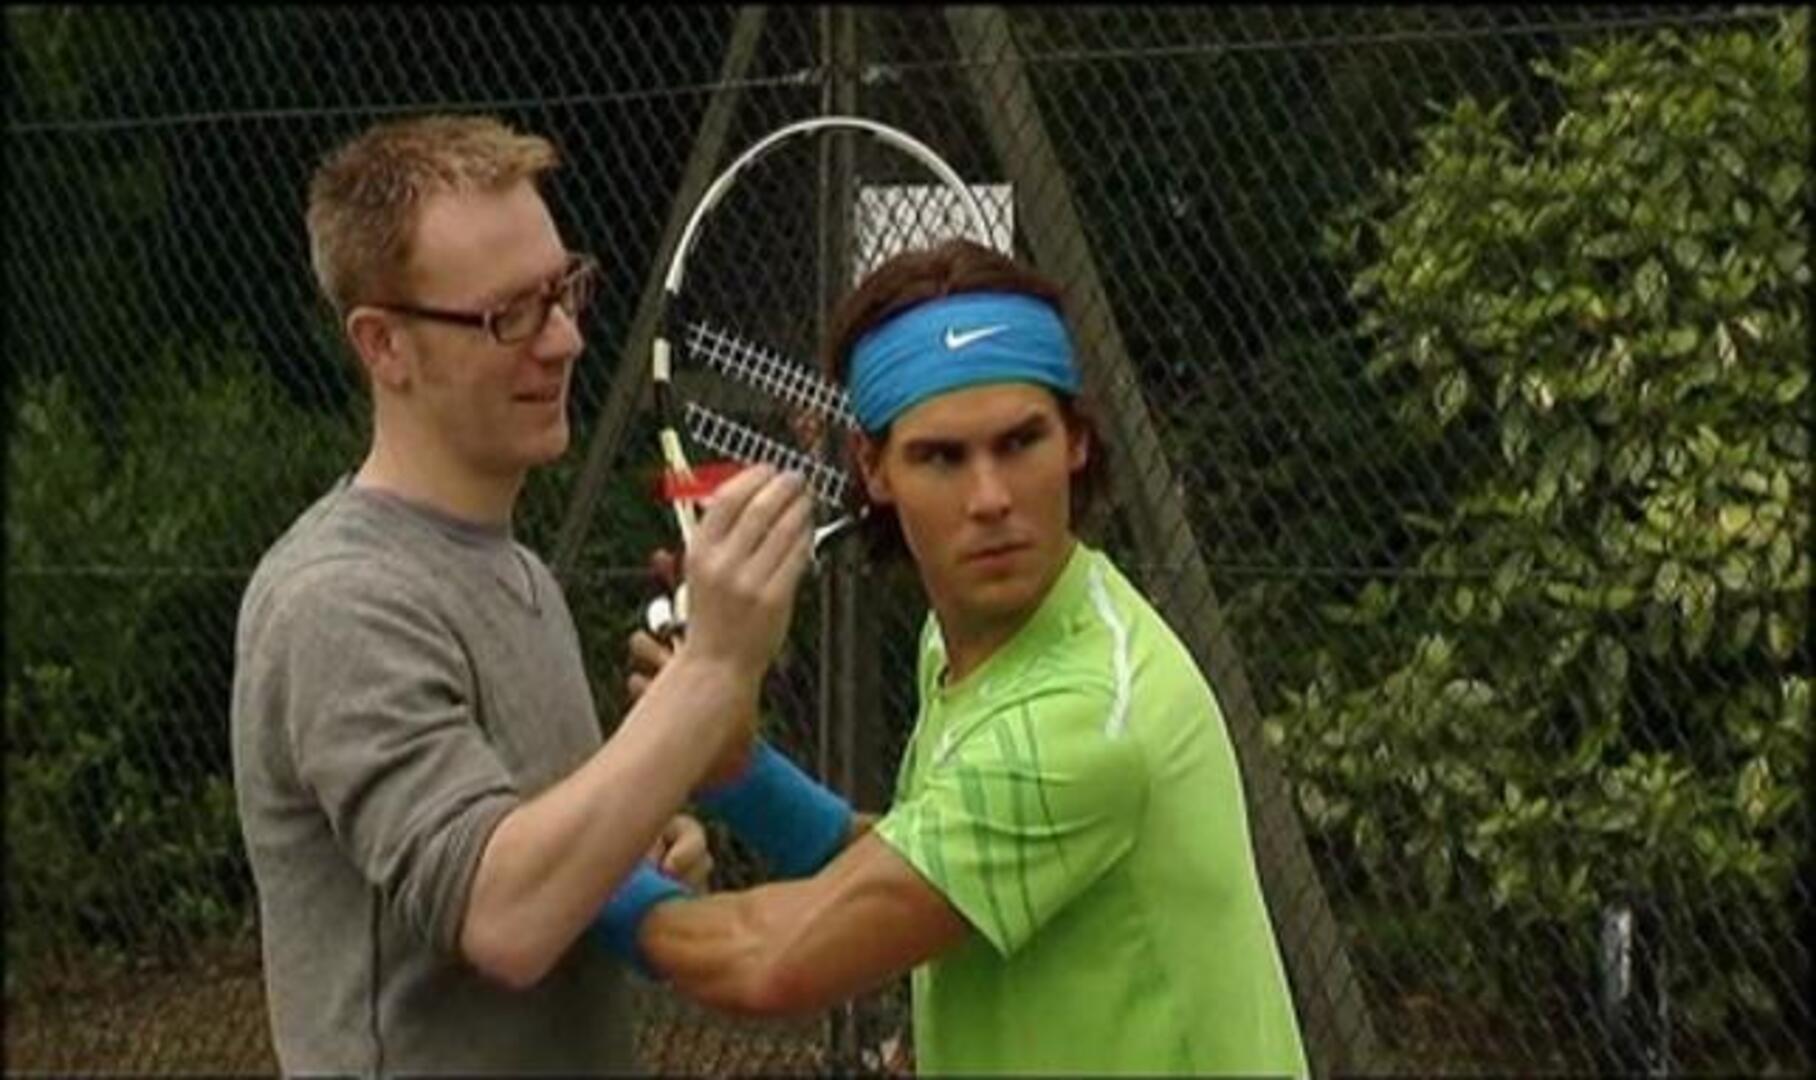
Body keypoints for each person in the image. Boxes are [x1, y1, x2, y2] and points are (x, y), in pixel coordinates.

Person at [619, 238, 1309, 1074]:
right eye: (941, 456)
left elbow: (772, 960)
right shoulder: (965, 640)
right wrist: (741, 776)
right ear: (873, 468)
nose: (990, 499)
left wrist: (550, 876)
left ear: (1077, 442)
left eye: (1020, 442)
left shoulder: (1087, 716)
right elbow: (915, 873)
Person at [229, 113, 812, 1075]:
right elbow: (505, 916)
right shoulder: (338, 602)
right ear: (383, 346)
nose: (567, 340)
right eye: (510, 315)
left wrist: (632, 844)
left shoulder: (518, 572)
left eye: (564, 291)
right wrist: (714, 672)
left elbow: (535, 856)